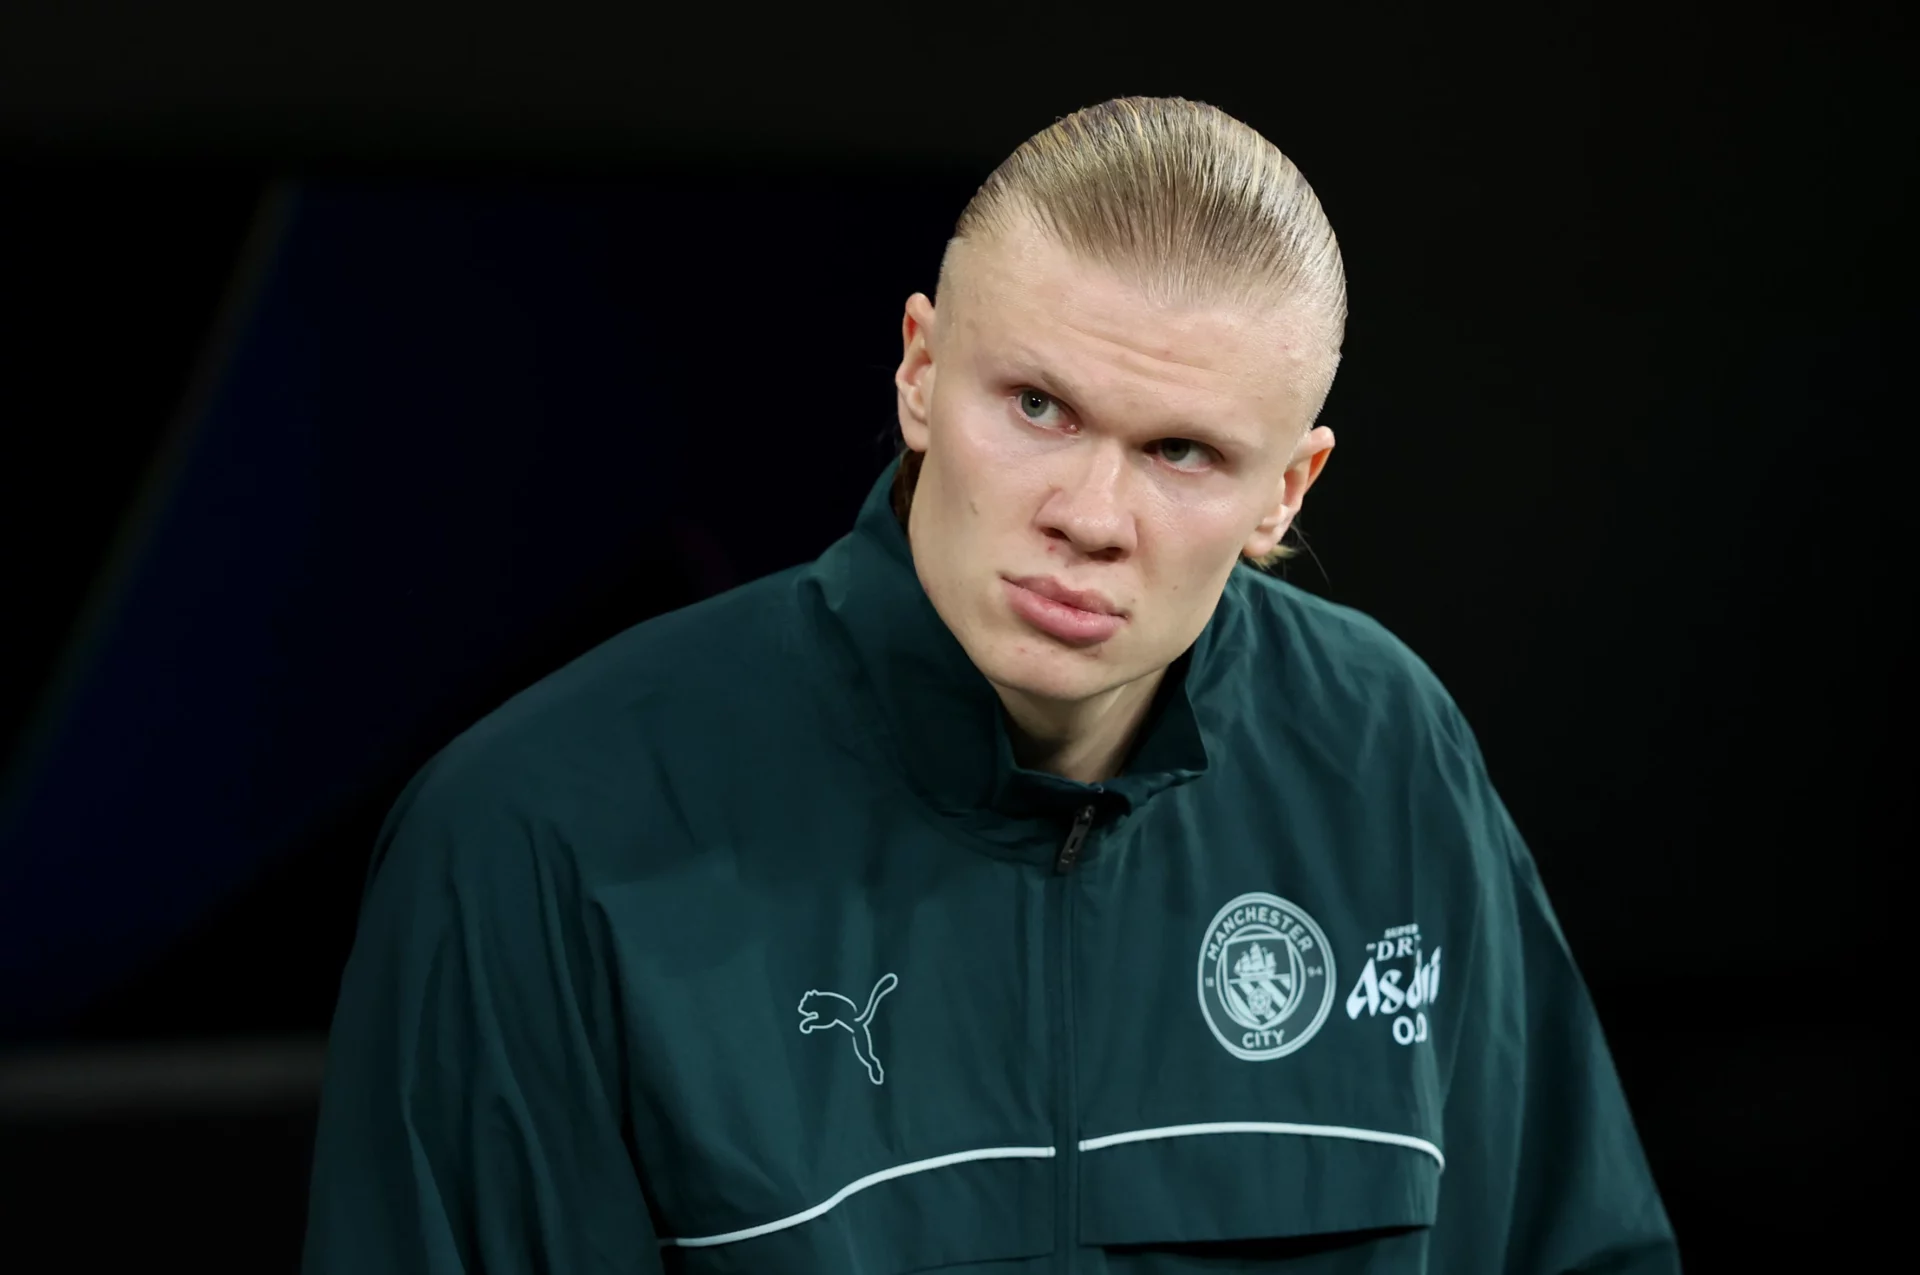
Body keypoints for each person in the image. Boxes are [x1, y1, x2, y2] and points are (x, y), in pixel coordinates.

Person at [303, 96, 1680, 1273]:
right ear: (917, 370)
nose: (1089, 511)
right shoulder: (534, 836)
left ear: (1287, 489)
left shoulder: (1387, 751)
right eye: (1038, 407)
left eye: (1183, 451)